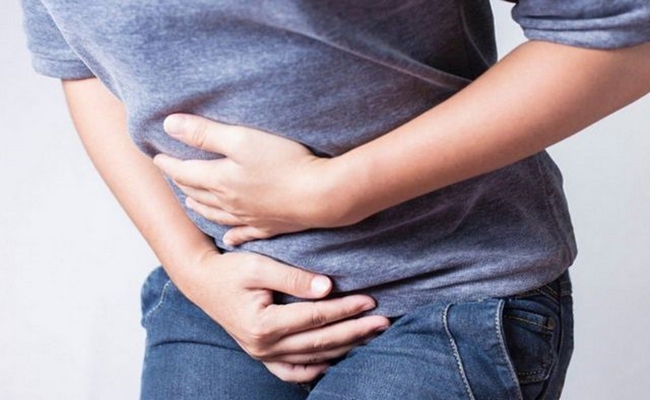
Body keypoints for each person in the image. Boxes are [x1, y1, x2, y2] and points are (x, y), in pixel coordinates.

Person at [20, 0, 649, 399]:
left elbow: (623, 28)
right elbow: (78, 63)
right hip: (221, 297)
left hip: (451, 291)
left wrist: (336, 190)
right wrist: (192, 266)